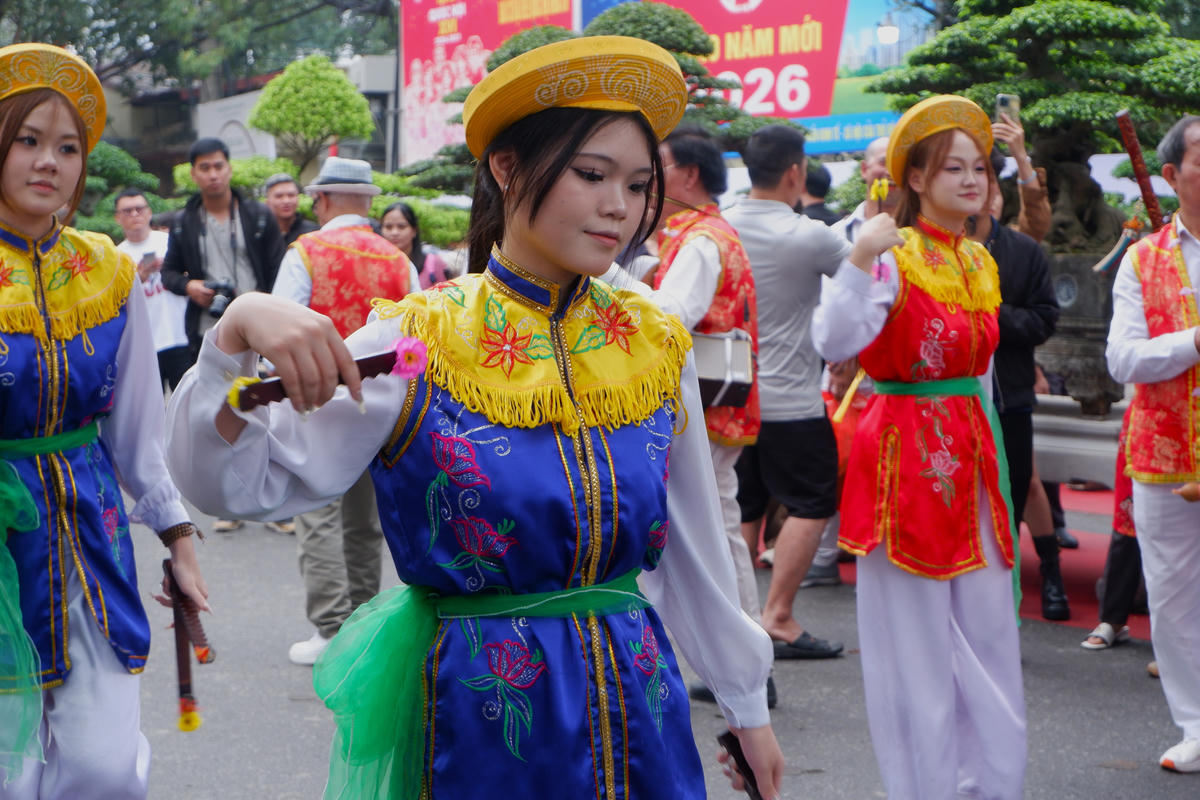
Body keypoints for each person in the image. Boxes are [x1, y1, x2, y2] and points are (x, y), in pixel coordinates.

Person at [165, 35, 783, 799]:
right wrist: (232, 343)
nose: (619, 206)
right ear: (507, 167)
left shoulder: (654, 340)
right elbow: (236, 482)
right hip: (484, 722)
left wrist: (745, 705)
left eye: (637, 182)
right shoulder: (417, 342)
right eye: (591, 175)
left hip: (639, 704)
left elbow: (692, 552)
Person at [0, 43, 209, 798]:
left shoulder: (108, 272)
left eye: (67, 147)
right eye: (28, 140)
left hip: (89, 536)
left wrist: (178, 537)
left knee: (104, 765)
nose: (49, 162)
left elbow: (136, 437)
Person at [813, 95, 1026, 799]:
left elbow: (983, 373)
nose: (972, 181)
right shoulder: (891, 256)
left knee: (993, 637)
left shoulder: (977, 259)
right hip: (903, 465)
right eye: (952, 168)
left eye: (979, 169)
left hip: (974, 459)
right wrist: (856, 259)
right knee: (916, 652)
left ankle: (991, 785)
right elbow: (834, 343)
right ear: (914, 180)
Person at [271, 156, 412, 665]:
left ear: (323, 200)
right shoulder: (400, 262)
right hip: (381, 405)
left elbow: (280, 330)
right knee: (365, 520)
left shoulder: (304, 253)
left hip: (317, 400)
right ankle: (363, 619)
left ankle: (330, 628)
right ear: (369, 201)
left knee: (318, 514)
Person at [723, 124, 849, 661]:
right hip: (794, 398)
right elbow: (871, 281)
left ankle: (741, 620)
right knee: (812, 500)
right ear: (795, 172)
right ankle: (778, 614)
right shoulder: (810, 235)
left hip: (732, 396)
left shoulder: (720, 228)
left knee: (743, 505)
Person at [1105, 113, 1200, 774]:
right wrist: (1193, 343)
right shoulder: (1142, 258)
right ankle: (1196, 722)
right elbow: (1123, 359)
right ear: (1171, 176)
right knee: (1171, 596)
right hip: (1167, 454)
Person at [161, 136, 285, 533]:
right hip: (210, 330)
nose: (212, 174)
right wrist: (190, 286)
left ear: (229, 168)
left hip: (261, 325)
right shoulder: (183, 223)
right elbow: (168, 273)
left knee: (269, 408)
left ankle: (278, 501)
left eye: (218, 166)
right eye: (204, 167)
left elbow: (277, 269)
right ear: (193, 173)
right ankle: (228, 502)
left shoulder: (257, 215)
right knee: (220, 412)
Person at [968, 147, 1066, 620]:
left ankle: (1046, 576)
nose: (969, 185)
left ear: (994, 190)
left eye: (979, 174)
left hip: (1009, 397)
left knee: (1019, 489)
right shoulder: (920, 252)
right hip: (949, 403)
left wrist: (988, 315)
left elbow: (1045, 320)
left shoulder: (1022, 251)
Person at [115, 188, 190, 391]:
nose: (135, 215)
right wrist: (139, 277)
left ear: (149, 212)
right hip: (144, 346)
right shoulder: (116, 256)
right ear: (117, 218)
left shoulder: (170, 242)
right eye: (127, 211)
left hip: (180, 336)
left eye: (139, 209)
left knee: (186, 406)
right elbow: (113, 302)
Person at [832, 136, 897, 244]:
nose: (890, 173)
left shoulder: (923, 235)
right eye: (883, 163)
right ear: (864, 169)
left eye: (897, 165)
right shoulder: (838, 235)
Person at [380, 201, 450, 289]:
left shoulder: (432, 264)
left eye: (401, 226)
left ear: (414, 230)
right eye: (388, 227)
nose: (394, 232)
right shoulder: (376, 265)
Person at [263, 172, 317, 247]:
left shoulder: (312, 233)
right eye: (279, 196)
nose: (286, 201)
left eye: (291, 195)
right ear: (267, 202)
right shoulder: (261, 234)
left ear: (298, 199)